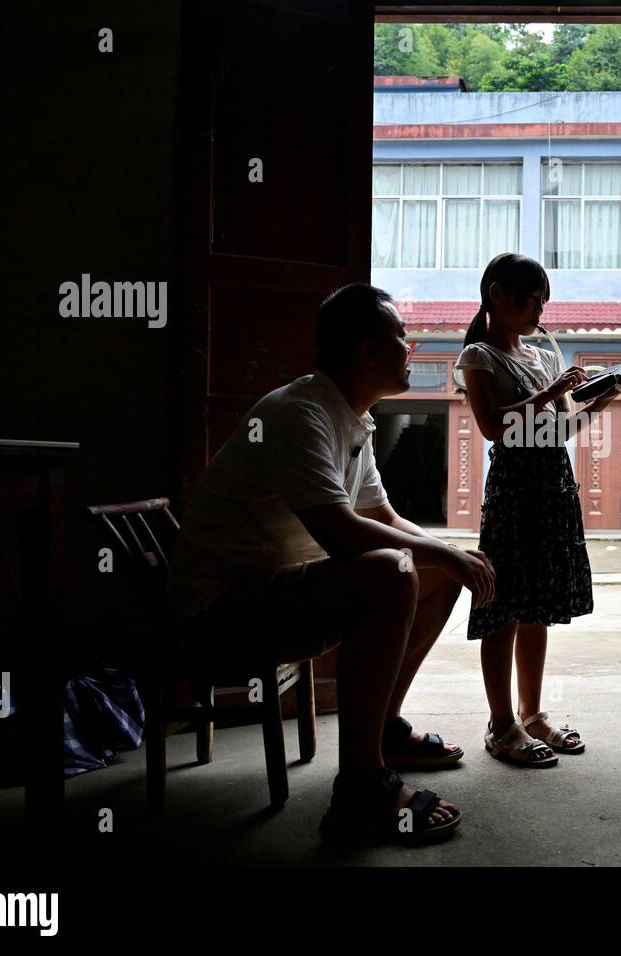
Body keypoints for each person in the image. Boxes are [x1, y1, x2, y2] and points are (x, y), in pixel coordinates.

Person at [166, 283, 497, 845]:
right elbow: (343, 533)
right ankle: (360, 791)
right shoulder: (300, 413)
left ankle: (382, 734)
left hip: (276, 592)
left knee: (436, 570)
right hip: (221, 609)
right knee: (392, 572)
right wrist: (442, 552)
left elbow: (384, 516)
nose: (411, 348)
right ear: (369, 350)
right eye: (401, 338)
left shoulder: (353, 418)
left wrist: (459, 554)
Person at [453, 253, 621, 767]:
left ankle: (531, 714)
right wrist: (553, 391)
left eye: (542, 301)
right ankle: (500, 725)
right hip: (514, 490)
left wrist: (599, 401)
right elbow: (496, 427)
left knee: (536, 605)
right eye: (531, 299)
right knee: (503, 604)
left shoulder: (540, 356)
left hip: (553, 484)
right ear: (497, 294)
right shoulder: (478, 356)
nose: (539, 310)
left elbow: (556, 429)